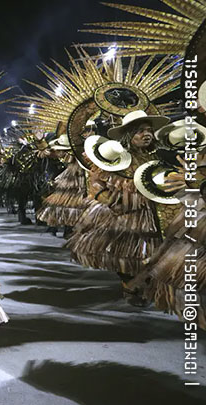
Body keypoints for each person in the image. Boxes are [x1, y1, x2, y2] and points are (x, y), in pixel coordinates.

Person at [66, 110, 170, 306]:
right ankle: (130, 285)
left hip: (151, 212)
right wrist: (112, 203)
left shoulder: (153, 158)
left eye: (149, 130)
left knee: (150, 251)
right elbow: (95, 184)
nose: (146, 134)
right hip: (121, 214)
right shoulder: (115, 158)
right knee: (125, 252)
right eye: (140, 131)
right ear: (129, 135)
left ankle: (141, 284)